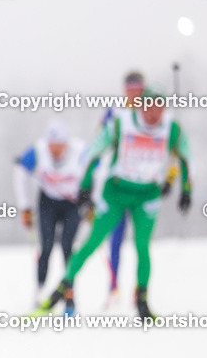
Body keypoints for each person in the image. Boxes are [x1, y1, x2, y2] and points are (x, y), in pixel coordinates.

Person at [38, 88, 192, 318]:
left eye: (159, 109)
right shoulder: (122, 124)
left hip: (147, 195)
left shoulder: (172, 129)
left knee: (142, 246)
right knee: (92, 242)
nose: (153, 115)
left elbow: (185, 158)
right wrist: (86, 186)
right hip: (116, 192)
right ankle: (62, 288)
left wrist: (185, 190)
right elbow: (95, 152)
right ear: (139, 107)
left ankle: (142, 300)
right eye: (149, 109)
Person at [13, 119, 88, 309]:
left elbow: (99, 171)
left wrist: (91, 201)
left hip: (72, 204)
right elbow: (20, 173)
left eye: (59, 146)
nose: (54, 150)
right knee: (46, 247)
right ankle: (39, 292)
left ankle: (69, 296)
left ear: (66, 143)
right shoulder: (38, 150)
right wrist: (25, 207)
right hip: (48, 202)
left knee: (67, 247)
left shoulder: (80, 150)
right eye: (51, 146)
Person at [99, 71, 146, 304]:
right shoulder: (115, 111)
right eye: (130, 91)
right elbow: (100, 141)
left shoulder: (151, 111)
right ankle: (113, 287)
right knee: (115, 238)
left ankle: (141, 290)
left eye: (138, 91)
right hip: (118, 183)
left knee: (141, 241)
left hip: (144, 185)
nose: (134, 95)